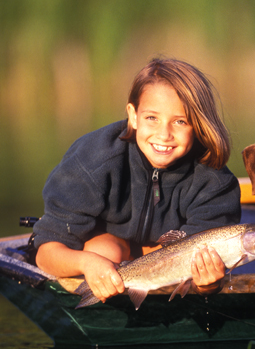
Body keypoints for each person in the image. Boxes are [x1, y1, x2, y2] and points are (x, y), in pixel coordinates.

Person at [35, 57, 241, 303]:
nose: (164, 135)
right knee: (104, 251)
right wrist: (87, 263)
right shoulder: (93, 159)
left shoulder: (215, 181)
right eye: (152, 118)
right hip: (106, 251)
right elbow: (46, 254)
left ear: (198, 125)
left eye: (180, 121)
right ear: (133, 116)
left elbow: (202, 272)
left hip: (170, 266)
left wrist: (209, 284)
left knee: (196, 261)